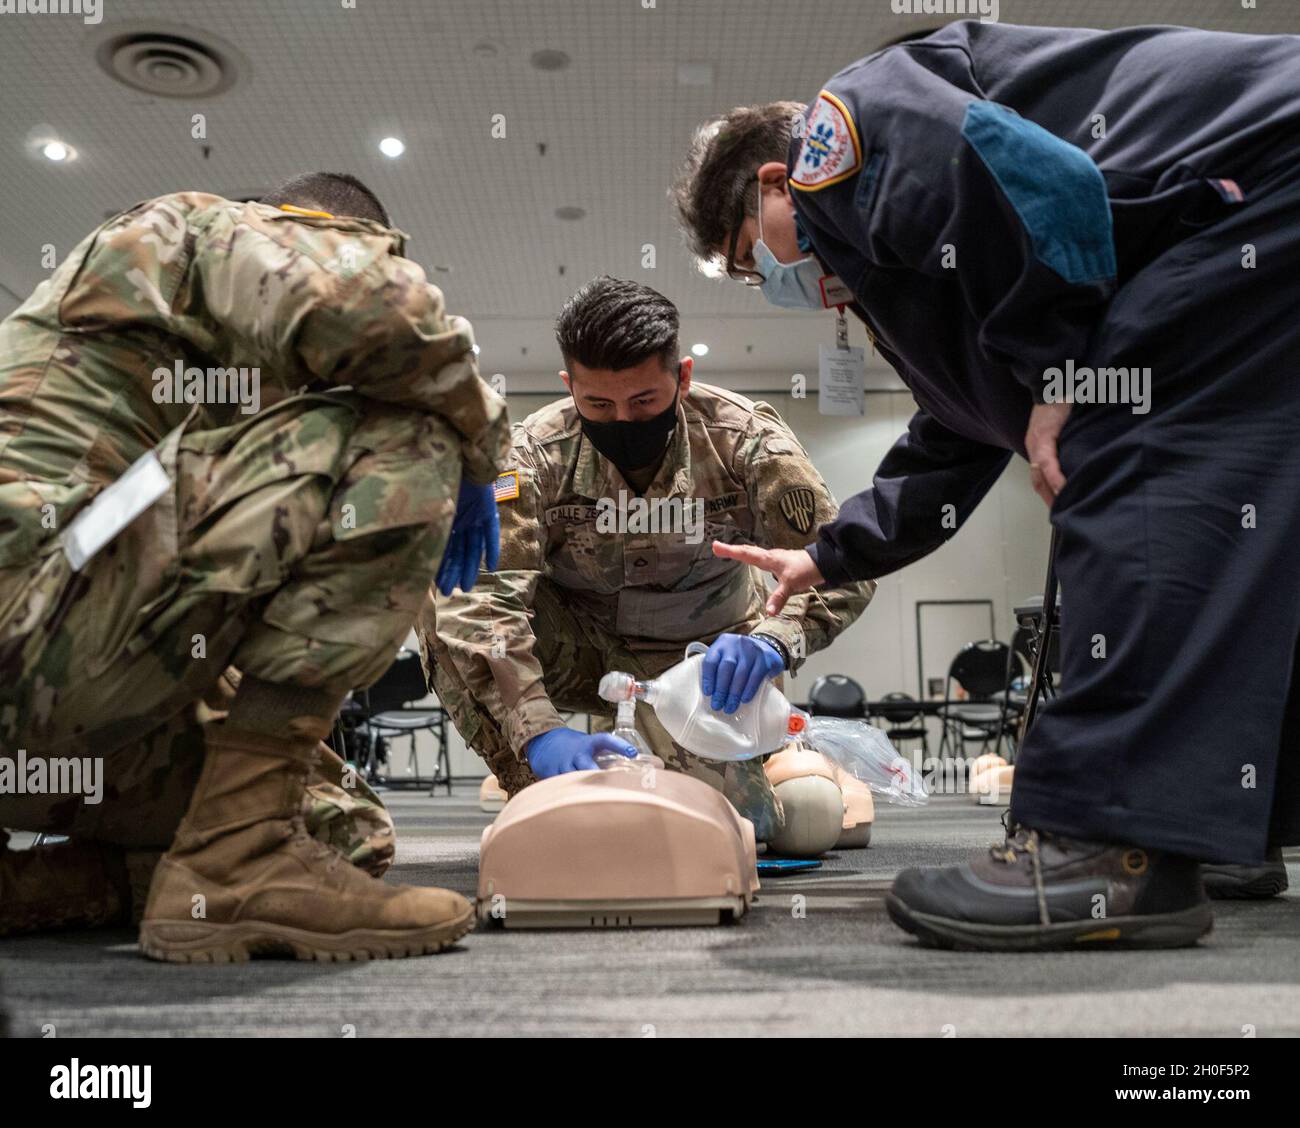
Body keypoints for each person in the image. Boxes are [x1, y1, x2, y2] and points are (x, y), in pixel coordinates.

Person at [672, 22, 1300, 949]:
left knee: (1135, 463)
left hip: (1254, 181)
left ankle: (1110, 847)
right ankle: (1216, 826)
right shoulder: (906, 273)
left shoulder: (845, 129)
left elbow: (1033, 175)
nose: (776, 281)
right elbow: (954, 436)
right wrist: (829, 553)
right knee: (1244, 512)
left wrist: (1058, 372)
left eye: (748, 257)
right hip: (1254, 204)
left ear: (775, 183)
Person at [0, 172, 508, 960]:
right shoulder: (187, 229)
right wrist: (477, 453)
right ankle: (234, 860)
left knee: (339, 825)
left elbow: (165, 567)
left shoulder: (219, 394)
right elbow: (381, 311)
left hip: (57, 679)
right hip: (30, 615)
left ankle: (133, 877)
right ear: (307, 231)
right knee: (409, 432)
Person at [420, 277, 874, 841]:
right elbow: (480, 597)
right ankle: (536, 781)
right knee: (445, 593)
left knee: (752, 827)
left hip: (711, 667)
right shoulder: (535, 454)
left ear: (682, 378)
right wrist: (539, 732)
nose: (623, 421)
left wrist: (775, 639)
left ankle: (786, 757)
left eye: (644, 402)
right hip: (582, 650)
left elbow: (843, 562)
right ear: (569, 386)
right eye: (598, 405)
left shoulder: (744, 442)